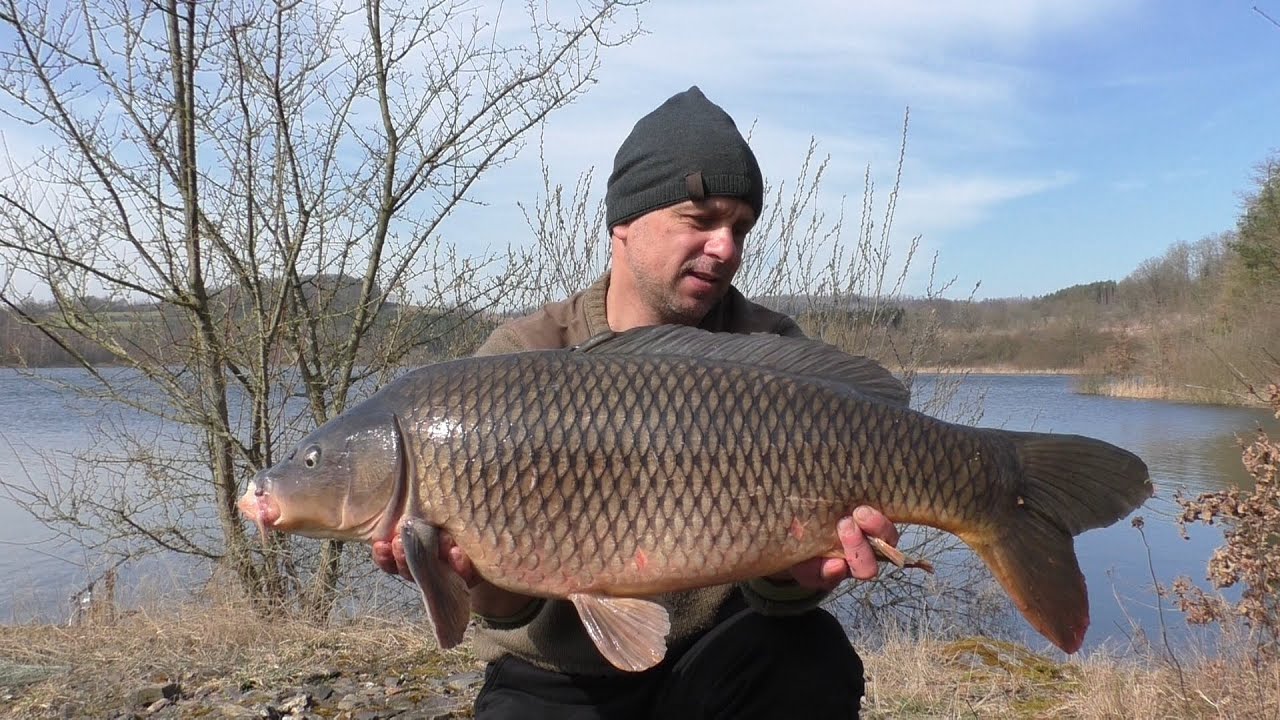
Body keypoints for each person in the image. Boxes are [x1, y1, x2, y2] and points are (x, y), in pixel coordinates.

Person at [373, 86, 902, 719]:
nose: (726, 248)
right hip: (558, 671)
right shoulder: (521, 358)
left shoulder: (769, 356)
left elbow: (780, 593)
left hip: (720, 652)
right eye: (701, 221)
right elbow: (506, 616)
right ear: (623, 221)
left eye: (740, 228)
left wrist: (792, 577)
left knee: (809, 658)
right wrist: (476, 580)